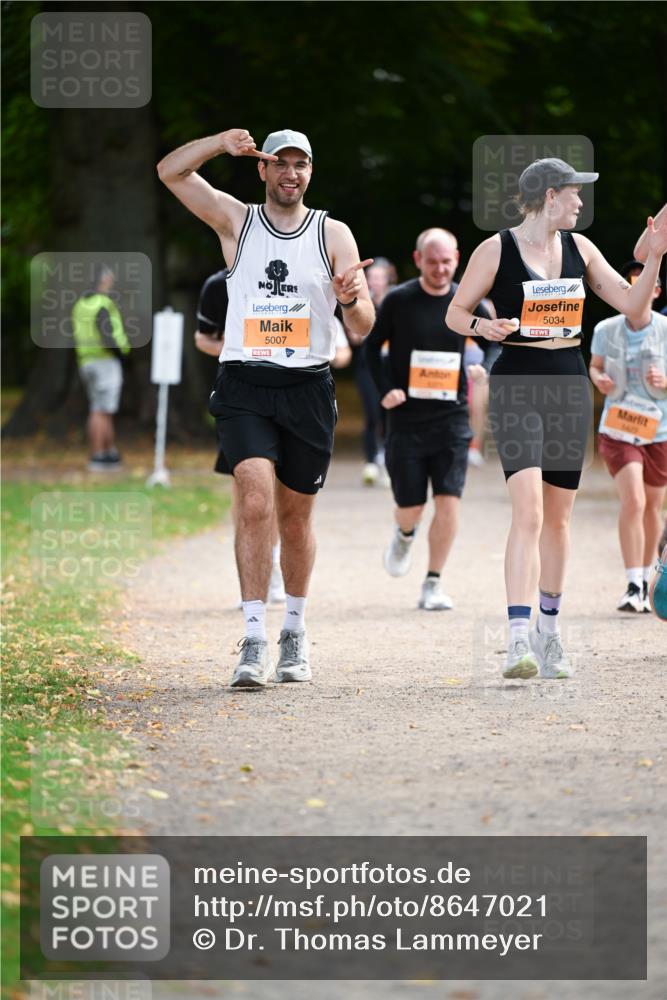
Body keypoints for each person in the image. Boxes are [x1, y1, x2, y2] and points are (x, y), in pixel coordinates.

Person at [158, 127, 374, 687]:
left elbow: (364, 323)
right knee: (254, 499)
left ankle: (294, 631)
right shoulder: (237, 221)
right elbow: (171, 172)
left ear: (310, 172)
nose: (290, 174)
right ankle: (253, 637)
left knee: (295, 517)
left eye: (300, 164)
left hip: (307, 387)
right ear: (262, 169)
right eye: (279, 163)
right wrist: (218, 144)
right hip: (244, 385)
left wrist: (350, 298)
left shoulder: (333, 233)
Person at [447, 157, 667, 680]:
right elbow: (454, 312)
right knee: (528, 512)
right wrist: (484, 325)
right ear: (548, 196)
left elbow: (635, 308)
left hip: (569, 385)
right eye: (573, 194)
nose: (580, 203)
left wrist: (655, 256)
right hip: (517, 382)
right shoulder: (494, 249)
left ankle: (549, 631)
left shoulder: (581, 249)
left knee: (559, 517)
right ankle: (517, 639)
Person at [365, 228, 492, 610]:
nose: (440, 269)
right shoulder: (399, 300)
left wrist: (482, 367)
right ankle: (404, 534)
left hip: (452, 416)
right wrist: (386, 388)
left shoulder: (466, 301)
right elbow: (372, 348)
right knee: (411, 505)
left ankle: (433, 583)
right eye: (432, 262)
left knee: (449, 500)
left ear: (457, 259)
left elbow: (492, 343)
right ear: (419, 260)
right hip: (406, 417)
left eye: (447, 262)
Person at [194, 267, 286, 604]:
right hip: (238, 396)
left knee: (276, 484)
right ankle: (255, 569)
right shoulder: (217, 285)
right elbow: (202, 337)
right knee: (247, 487)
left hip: (287, 392)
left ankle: (273, 562)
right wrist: (235, 346)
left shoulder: (286, 272)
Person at [589, 259, 667, 613]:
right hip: (619, 428)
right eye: (628, 285)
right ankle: (633, 583)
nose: (635, 290)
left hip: (658, 430)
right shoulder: (606, 329)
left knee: (653, 506)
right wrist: (599, 379)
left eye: (642, 285)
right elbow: (595, 365)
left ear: (655, 291)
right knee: (633, 500)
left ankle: (651, 579)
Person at [72, 265, 130, 471]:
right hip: (104, 360)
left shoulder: (80, 304)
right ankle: (98, 455)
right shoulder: (102, 304)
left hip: (86, 361)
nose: (112, 282)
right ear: (102, 280)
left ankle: (109, 451)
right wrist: (120, 355)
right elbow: (107, 335)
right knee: (101, 409)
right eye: (109, 279)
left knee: (101, 408)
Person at [356, 258, 395, 486]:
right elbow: (354, 336)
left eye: (379, 278)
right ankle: (370, 461)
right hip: (367, 366)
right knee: (371, 415)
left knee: (389, 415)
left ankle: (389, 463)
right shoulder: (362, 303)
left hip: (392, 366)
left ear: (388, 279)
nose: (376, 282)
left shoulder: (397, 300)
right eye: (372, 278)